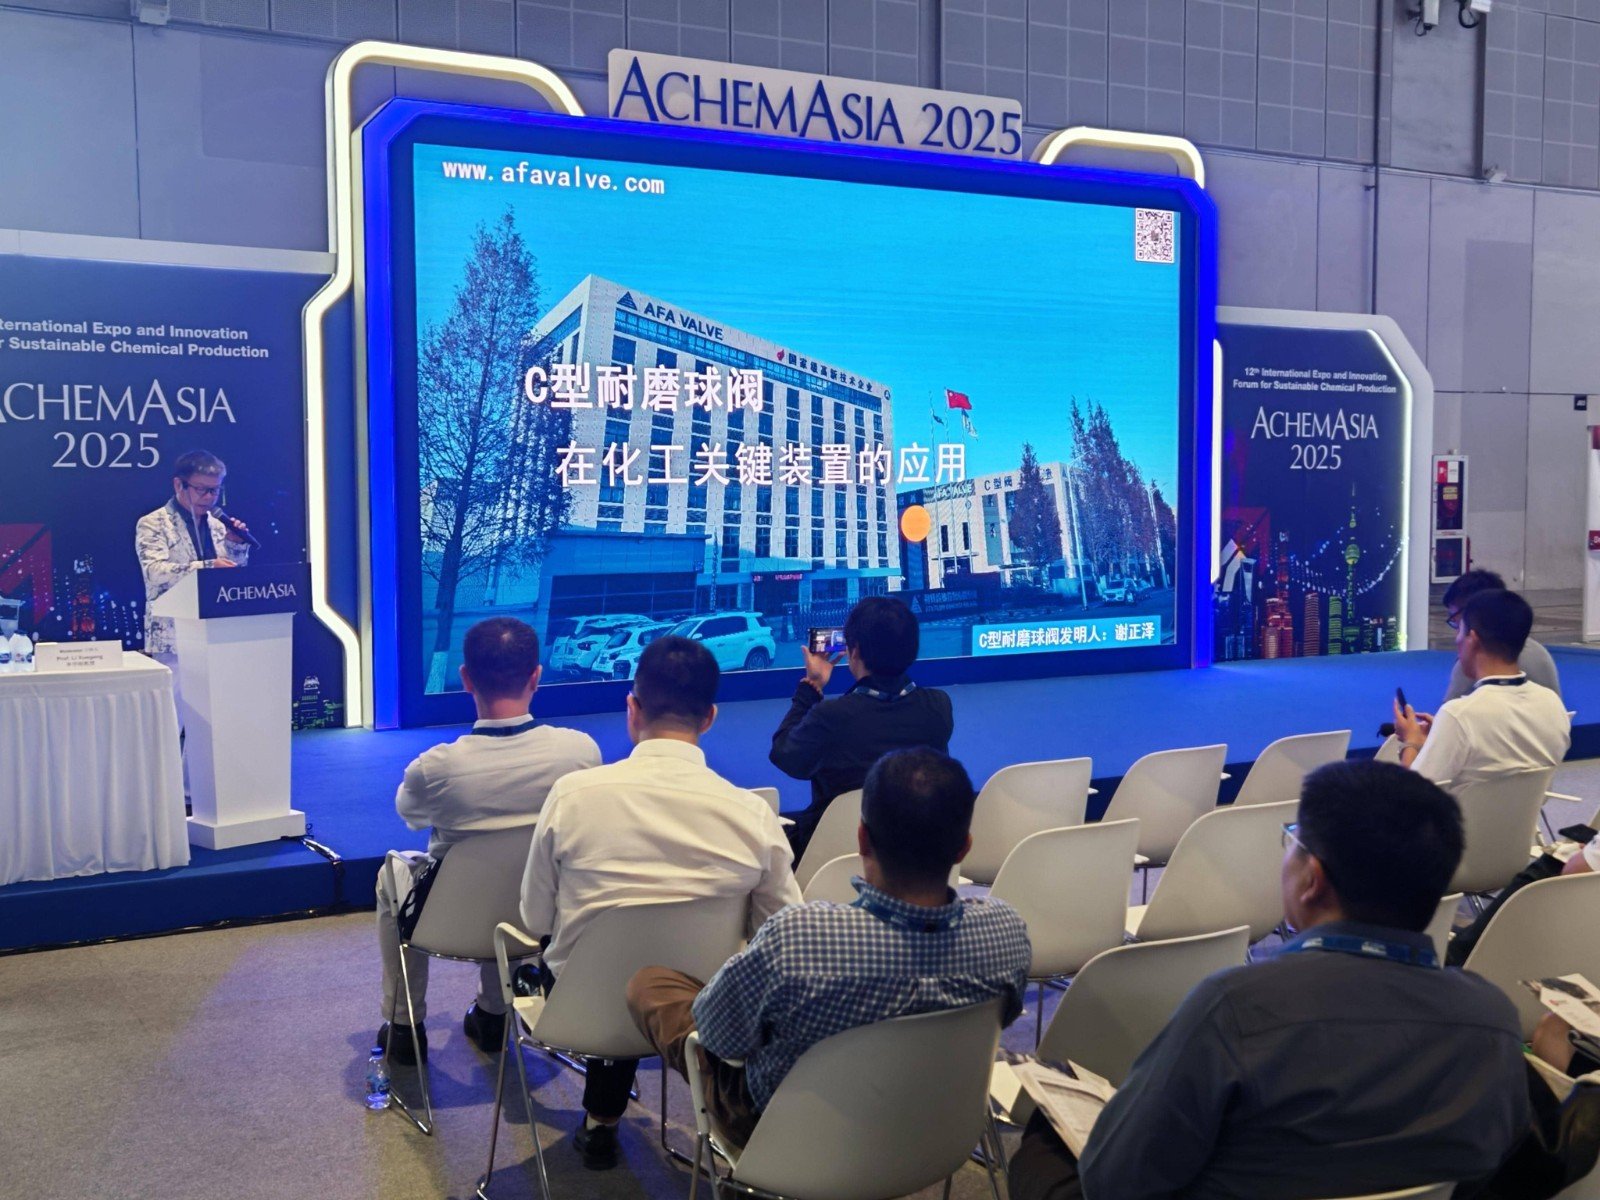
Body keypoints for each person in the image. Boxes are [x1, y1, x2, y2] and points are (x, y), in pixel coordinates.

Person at [1008, 760, 1531, 1200]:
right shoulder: (1493, 1020)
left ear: (1312, 880)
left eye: (1292, 841)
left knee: (1044, 1146)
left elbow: (1116, 1182)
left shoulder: (1235, 1007)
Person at [626, 745, 1030, 1149]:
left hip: (789, 1139)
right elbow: (1002, 1020)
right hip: (932, 1125)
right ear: (964, 846)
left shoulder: (798, 939)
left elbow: (720, 1040)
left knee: (652, 985)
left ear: (862, 838)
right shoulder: (1005, 932)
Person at [518, 635, 801, 1170]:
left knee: (603, 958)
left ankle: (601, 1121)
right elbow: (782, 936)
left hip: (579, 1009)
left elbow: (534, 918)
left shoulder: (573, 797)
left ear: (632, 708)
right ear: (710, 717)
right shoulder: (753, 816)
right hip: (699, 1016)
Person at [374, 617, 599, 1066]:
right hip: (542, 918)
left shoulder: (435, 769)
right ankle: (495, 1016)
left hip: (447, 921)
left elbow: (410, 815)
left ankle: (404, 1027)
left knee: (392, 873)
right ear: (536, 676)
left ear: (465, 678)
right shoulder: (580, 753)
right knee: (529, 869)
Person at [769, 595, 953, 857]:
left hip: (832, 858)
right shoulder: (938, 706)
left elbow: (784, 754)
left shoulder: (833, 716)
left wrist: (812, 686)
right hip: (918, 854)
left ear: (854, 651)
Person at [1395, 588, 1570, 789]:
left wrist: (1410, 743)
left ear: (1472, 639)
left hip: (1459, 811)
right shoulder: (1552, 703)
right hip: (1526, 811)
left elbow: (1412, 794)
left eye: (1459, 630)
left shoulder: (1459, 715)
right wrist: (1442, 734)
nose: (1456, 640)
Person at [135, 449, 252, 662]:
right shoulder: (153, 523)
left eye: (214, 490)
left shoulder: (219, 525)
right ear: (178, 485)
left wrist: (236, 546)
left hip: (220, 630)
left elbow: (235, 579)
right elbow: (154, 573)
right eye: (201, 489)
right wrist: (208, 567)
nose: (208, 497)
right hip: (173, 636)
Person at [1441, 569, 1561, 703]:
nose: (1457, 633)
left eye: (1455, 619)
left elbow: (1451, 708)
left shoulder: (1476, 659)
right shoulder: (1539, 652)